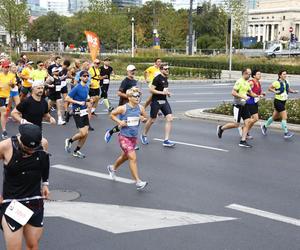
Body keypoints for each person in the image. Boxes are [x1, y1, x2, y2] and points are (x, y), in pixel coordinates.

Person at [0, 124, 50, 250]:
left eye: (34, 149)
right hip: (13, 202)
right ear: (20, 139)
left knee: (33, 246)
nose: (31, 152)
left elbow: (45, 162)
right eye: (27, 149)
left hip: (34, 201)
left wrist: (45, 183)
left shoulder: (43, 143)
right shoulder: (5, 146)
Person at [107, 87, 148, 190]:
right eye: (135, 96)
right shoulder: (123, 108)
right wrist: (119, 122)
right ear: (129, 98)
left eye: (139, 96)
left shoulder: (141, 108)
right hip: (124, 137)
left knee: (125, 157)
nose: (138, 98)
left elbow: (145, 118)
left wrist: (143, 119)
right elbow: (111, 115)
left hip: (133, 137)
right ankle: (138, 182)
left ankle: (112, 168)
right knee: (133, 158)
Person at [217, 68, 258, 148]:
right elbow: (233, 92)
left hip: (244, 105)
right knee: (236, 124)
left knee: (247, 122)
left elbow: (250, 93)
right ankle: (221, 128)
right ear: (244, 73)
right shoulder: (239, 82)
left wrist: (257, 95)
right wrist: (243, 96)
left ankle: (243, 141)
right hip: (237, 106)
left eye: (250, 74)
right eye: (248, 74)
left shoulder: (247, 83)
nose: (250, 75)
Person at [140, 64, 175, 147]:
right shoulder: (157, 78)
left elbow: (164, 89)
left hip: (164, 101)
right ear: (161, 70)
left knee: (169, 118)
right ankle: (144, 134)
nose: (167, 70)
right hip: (156, 101)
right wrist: (162, 93)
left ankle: (166, 140)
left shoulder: (166, 78)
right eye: (165, 69)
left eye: (168, 69)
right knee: (152, 120)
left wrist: (167, 93)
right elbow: (151, 90)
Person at [104, 65, 138, 143]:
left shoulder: (134, 81)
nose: (133, 72)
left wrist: (137, 93)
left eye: (134, 70)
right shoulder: (125, 81)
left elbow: (133, 92)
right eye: (131, 71)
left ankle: (113, 133)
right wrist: (129, 96)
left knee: (129, 124)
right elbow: (119, 93)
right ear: (127, 72)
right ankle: (112, 133)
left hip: (132, 105)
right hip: (124, 105)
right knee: (126, 124)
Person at [261, 70, 298, 138]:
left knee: (275, 116)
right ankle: (286, 133)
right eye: (284, 74)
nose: (285, 75)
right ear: (280, 75)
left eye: (286, 74)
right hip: (278, 101)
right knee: (284, 117)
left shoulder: (286, 82)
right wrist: (275, 91)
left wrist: (293, 91)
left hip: (283, 101)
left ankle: (264, 126)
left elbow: (288, 89)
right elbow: (269, 88)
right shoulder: (276, 82)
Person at [64, 70, 91, 159]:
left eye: (87, 76)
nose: (86, 77)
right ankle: (70, 140)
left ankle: (76, 151)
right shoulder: (76, 87)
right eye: (84, 76)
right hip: (77, 110)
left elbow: (85, 97)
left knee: (86, 134)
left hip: (84, 111)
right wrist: (78, 102)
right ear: (80, 77)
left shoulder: (87, 87)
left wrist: (88, 100)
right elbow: (67, 98)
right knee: (83, 132)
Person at [243, 69, 265, 139]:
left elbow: (258, 92)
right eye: (258, 74)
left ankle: (246, 131)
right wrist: (252, 95)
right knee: (255, 118)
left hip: (255, 102)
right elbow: (244, 91)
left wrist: (262, 94)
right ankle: (244, 130)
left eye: (260, 74)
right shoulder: (251, 82)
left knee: (254, 119)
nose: (260, 75)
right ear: (254, 75)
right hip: (249, 102)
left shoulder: (258, 82)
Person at [0, 61, 16, 139]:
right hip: (0, 96)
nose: (7, 68)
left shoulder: (12, 75)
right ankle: (4, 131)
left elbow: (13, 86)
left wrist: (11, 84)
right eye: (5, 67)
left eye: (8, 67)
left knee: (5, 113)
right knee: (3, 112)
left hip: (7, 97)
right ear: (2, 67)